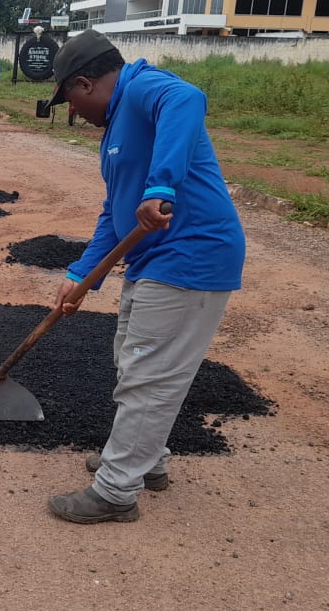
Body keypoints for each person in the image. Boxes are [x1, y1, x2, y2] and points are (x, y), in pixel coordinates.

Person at [43, 29, 246, 524]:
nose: (71, 110)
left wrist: (161, 185)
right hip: (152, 259)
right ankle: (147, 461)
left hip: (191, 257)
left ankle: (115, 492)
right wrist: (80, 274)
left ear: (85, 84)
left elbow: (188, 98)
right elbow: (114, 214)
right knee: (130, 358)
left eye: (67, 97)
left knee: (149, 374)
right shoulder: (115, 131)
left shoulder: (142, 88)